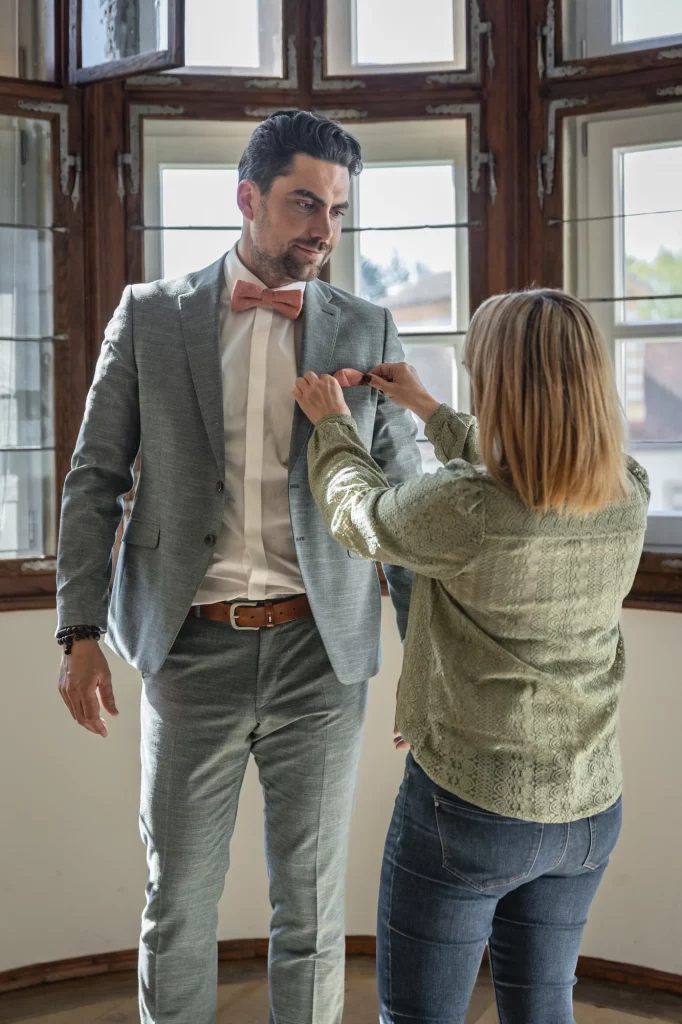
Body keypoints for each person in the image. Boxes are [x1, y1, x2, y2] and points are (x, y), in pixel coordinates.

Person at [55, 110, 420, 1024]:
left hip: (321, 654)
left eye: (337, 210)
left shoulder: (367, 326)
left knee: (311, 907)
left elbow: (408, 508)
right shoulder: (150, 315)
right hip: (188, 649)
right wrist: (79, 630)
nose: (324, 229)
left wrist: (430, 663)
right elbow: (95, 479)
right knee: (177, 902)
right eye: (304, 204)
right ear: (248, 198)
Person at [293, 288, 650, 1024]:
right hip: (589, 812)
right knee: (542, 1008)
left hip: (473, 810)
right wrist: (429, 410)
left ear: (502, 384)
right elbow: (531, 474)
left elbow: (361, 516)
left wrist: (332, 426)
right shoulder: (627, 490)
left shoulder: (467, 507)